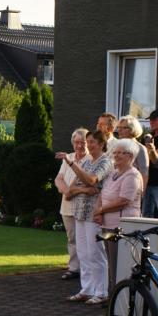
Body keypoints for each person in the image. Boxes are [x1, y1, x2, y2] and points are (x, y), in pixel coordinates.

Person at [65, 130, 113, 305]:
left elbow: (92, 181)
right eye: (88, 141)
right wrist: (83, 189)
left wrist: (74, 168)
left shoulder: (106, 162)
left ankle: (101, 292)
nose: (89, 145)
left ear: (101, 144)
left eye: (92, 142)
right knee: (83, 253)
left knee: (95, 253)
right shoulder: (86, 162)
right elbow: (72, 189)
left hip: (94, 213)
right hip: (80, 212)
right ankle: (87, 289)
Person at [94, 138, 143, 289]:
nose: (116, 155)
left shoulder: (132, 175)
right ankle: (113, 295)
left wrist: (101, 210)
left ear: (131, 156)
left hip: (122, 227)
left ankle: (121, 297)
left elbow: (123, 201)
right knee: (111, 264)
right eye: (115, 152)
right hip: (108, 225)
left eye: (121, 153)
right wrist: (99, 212)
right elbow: (102, 193)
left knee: (120, 265)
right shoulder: (113, 173)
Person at [54, 128, 88, 281]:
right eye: (76, 142)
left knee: (85, 239)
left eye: (83, 142)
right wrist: (66, 191)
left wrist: (71, 192)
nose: (79, 145)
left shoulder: (91, 159)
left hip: (84, 204)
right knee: (72, 238)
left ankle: (86, 269)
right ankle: (74, 268)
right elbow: (59, 178)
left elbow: (84, 181)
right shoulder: (68, 158)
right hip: (67, 205)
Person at [116, 115, 149, 189]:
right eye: (119, 127)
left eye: (124, 128)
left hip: (132, 187)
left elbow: (144, 173)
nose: (119, 130)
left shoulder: (140, 148)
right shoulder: (116, 146)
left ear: (133, 129)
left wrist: (141, 192)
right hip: (115, 187)